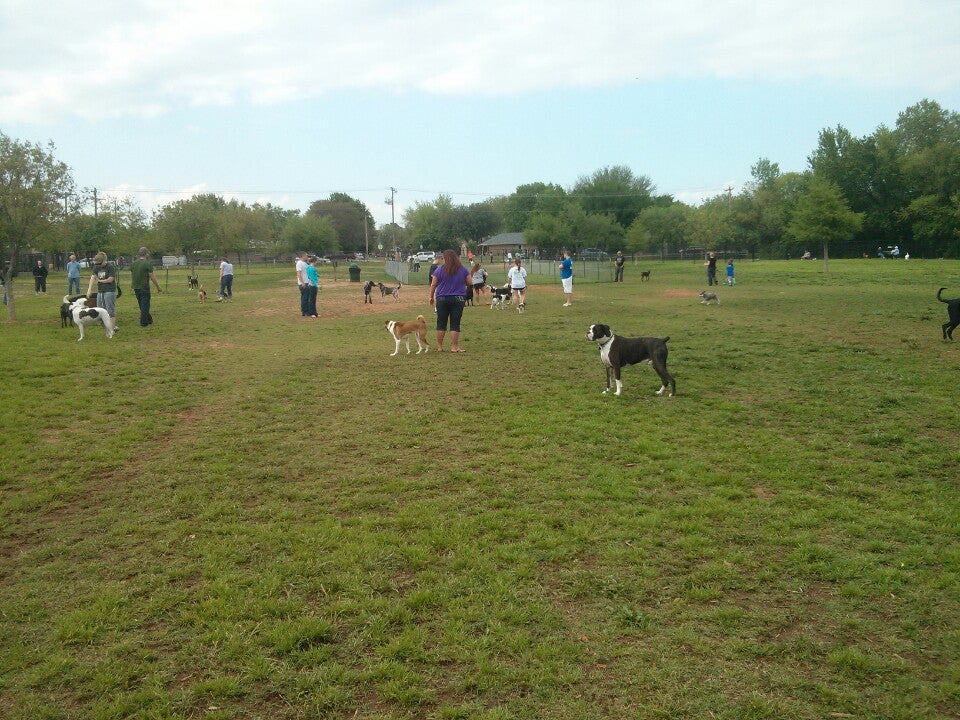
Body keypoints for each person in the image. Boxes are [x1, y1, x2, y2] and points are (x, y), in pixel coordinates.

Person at [428, 249, 471, 352]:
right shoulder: (463, 269)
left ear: (445, 259)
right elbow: (469, 282)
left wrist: (431, 297)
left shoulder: (439, 270)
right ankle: (454, 347)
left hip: (442, 298)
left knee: (441, 323)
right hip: (458, 298)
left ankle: (440, 347)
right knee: (455, 323)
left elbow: (433, 284)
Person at [130, 246, 162, 327]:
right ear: (146, 254)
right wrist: (158, 287)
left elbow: (133, 275)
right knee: (145, 305)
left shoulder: (134, 264)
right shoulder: (147, 263)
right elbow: (152, 277)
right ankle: (144, 322)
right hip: (144, 287)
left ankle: (149, 320)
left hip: (136, 287)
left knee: (142, 305)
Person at [90, 252, 118, 329]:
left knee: (110, 310)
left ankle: (112, 328)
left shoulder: (110, 267)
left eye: (99, 264)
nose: (98, 265)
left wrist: (100, 280)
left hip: (109, 290)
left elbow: (111, 279)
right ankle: (106, 326)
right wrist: (89, 290)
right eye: (97, 264)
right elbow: (93, 277)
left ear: (104, 261)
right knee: (100, 309)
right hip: (100, 291)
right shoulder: (96, 267)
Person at [295, 252, 310, 316]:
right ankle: (304, 311)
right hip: (303, 283)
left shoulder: (305, 263)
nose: (307, 256)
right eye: (306, 255)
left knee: (307, 297)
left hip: (307, 282)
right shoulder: (299, 263)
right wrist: (302, 283)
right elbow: (299, 274)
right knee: (305, 297)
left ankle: (307, 310)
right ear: (303, 256)